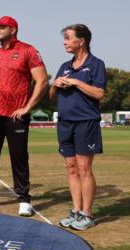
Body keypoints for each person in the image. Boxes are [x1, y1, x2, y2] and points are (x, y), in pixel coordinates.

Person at [0, 16, 48, 216]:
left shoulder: (28, 50)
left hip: (16, 115)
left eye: (1, 27)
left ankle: (24, 199)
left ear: (13, 29)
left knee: (19, 157)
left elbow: (42, 81)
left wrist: (28, 107)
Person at [49, 24, 106, 230]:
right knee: (71, 168)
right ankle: (75, 211)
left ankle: (87, 214)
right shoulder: (64, 65)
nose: (64, 41)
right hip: (65, 122)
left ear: (81, 41)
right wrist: (55, 84)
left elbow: (99, 93)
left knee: (84, 168)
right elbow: (51, 97)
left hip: (86, 122)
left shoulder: (96, 64)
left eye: (68, 37)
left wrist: (75, 82)